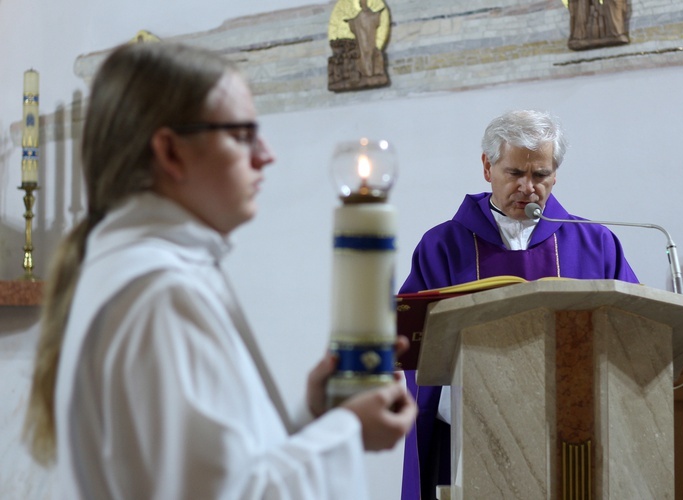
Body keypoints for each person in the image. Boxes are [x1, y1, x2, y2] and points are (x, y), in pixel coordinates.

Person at [23, 41, 416, 499]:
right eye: (242, 135)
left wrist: (315, 419)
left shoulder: (149, 270)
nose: (265, 155)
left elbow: (210, 471)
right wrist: (348, 431)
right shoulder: (158, 292)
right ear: (171, 152)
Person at [399, 109, 638, 500]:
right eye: (515, 173)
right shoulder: (442, 246)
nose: (528, 187)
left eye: (540, 175)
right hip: (471, 423)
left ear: (555, 175)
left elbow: (630, 331)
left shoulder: (595, 243)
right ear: (487, 167)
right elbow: (411, 340)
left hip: (571, 426)